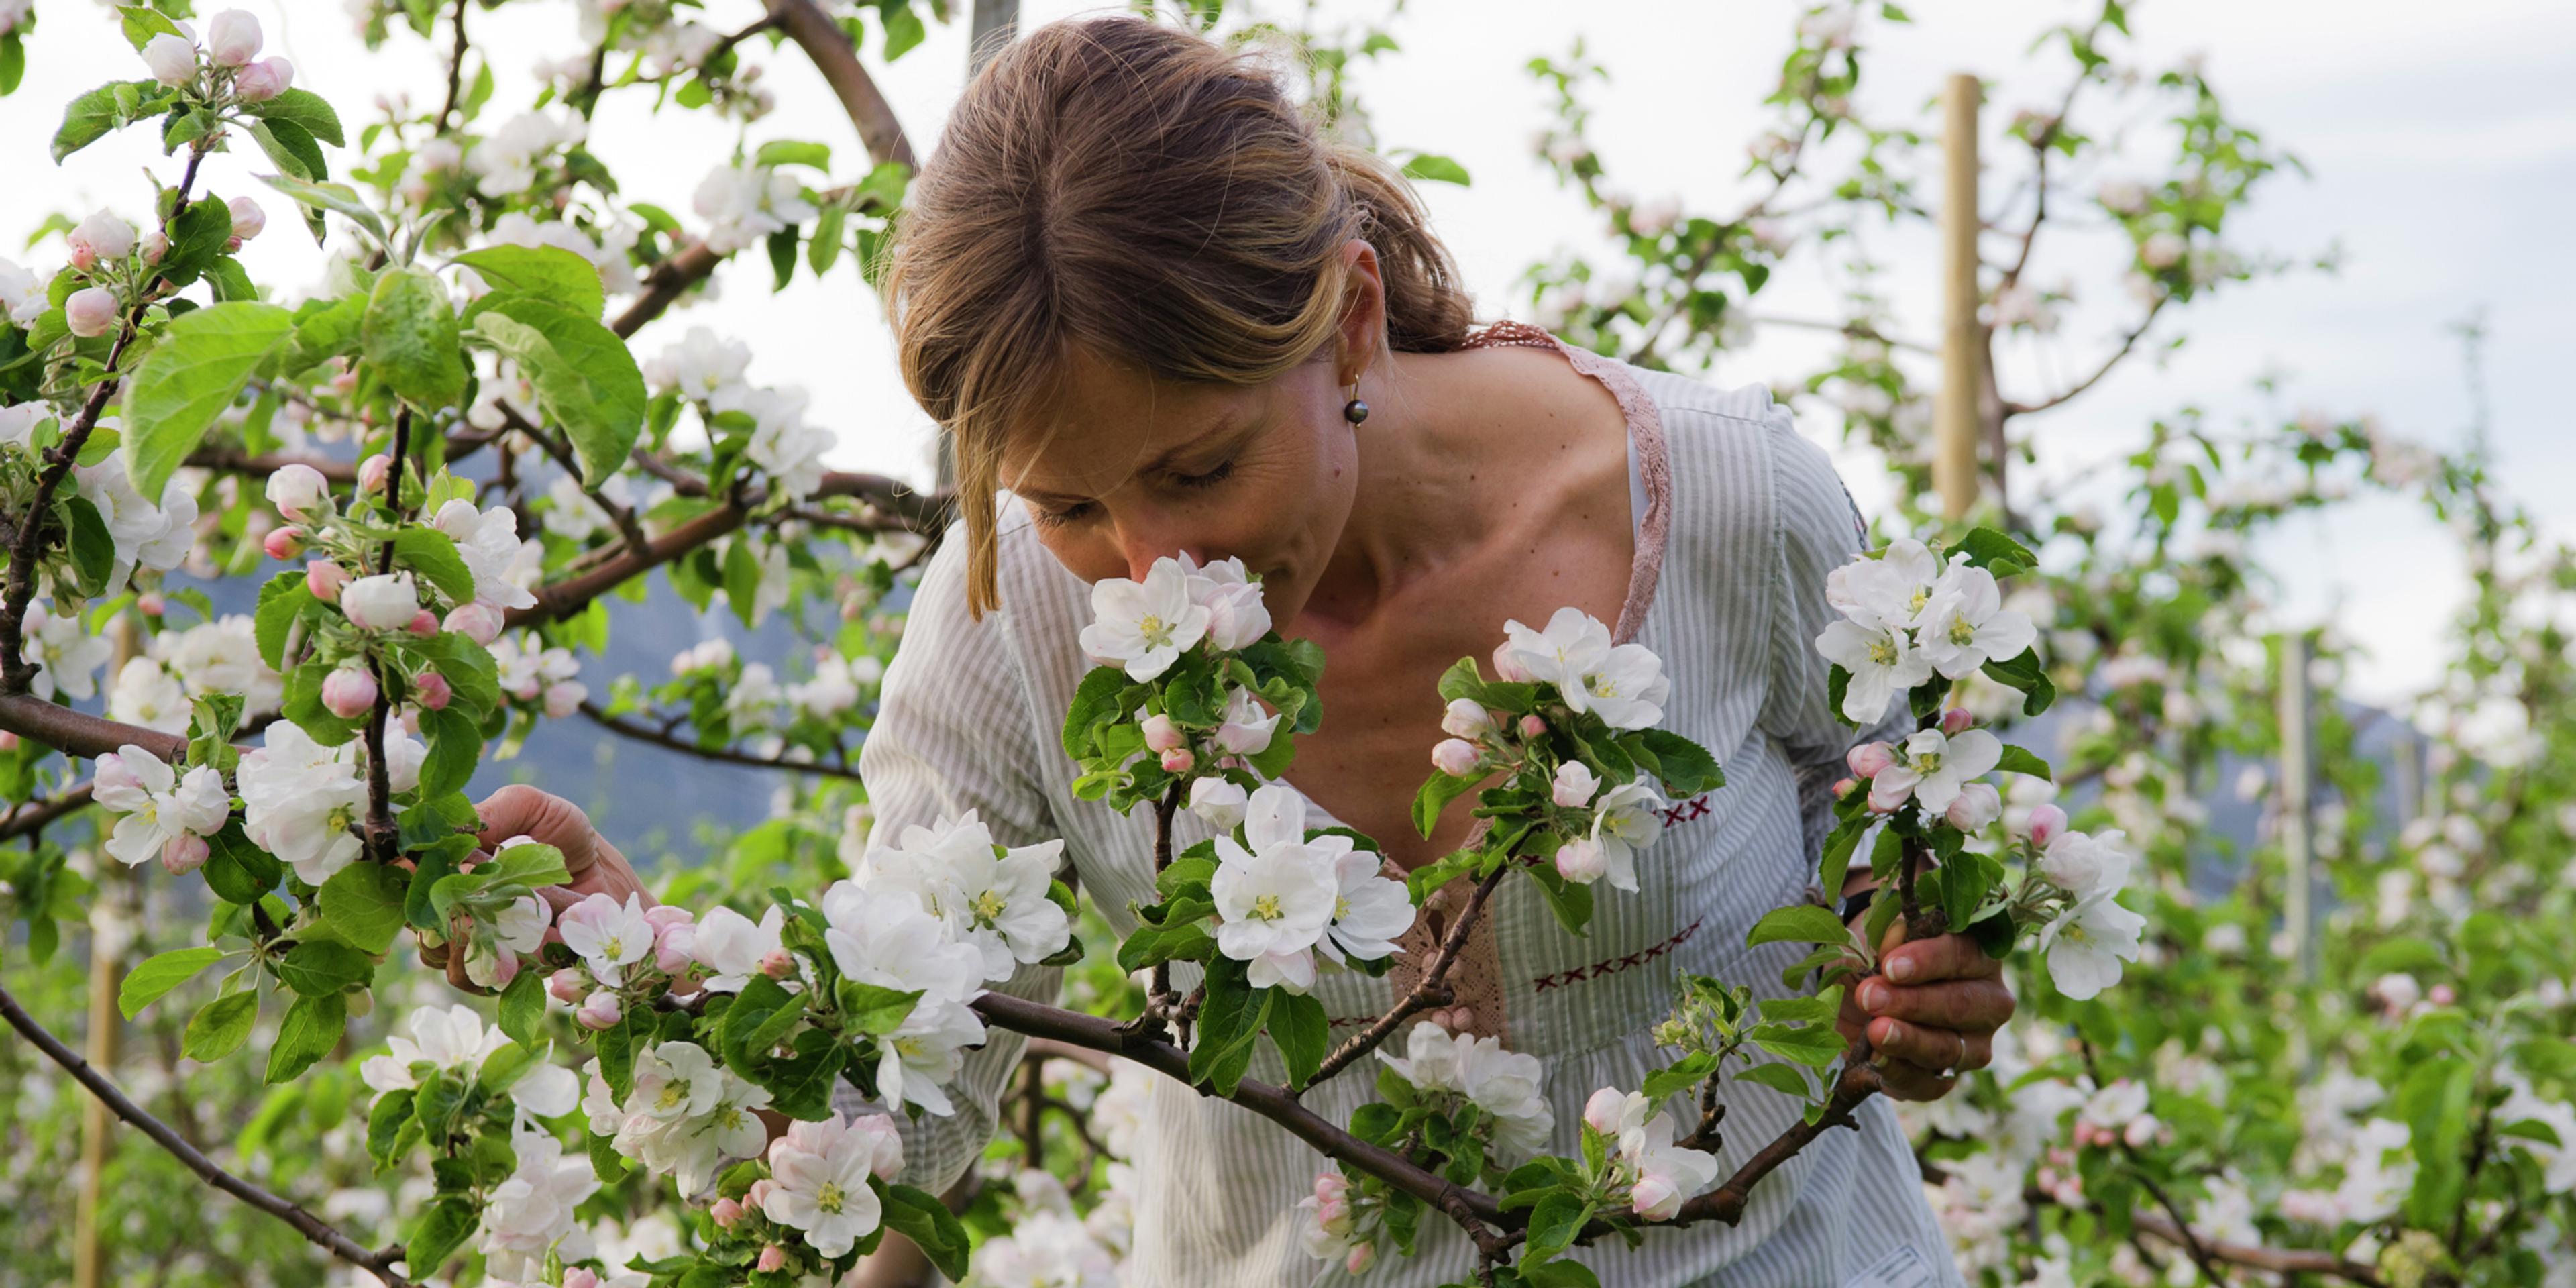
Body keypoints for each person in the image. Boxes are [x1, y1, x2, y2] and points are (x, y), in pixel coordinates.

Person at [473, 13, 2010, 1285]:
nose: (1156, 570)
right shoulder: (1013, 619)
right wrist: (662, 986)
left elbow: (1922, 832)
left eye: (1200, 470)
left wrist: (1927, 987)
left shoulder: (1732, 501)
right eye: (1068, 502)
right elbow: (907, 1128)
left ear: (1346, 327)